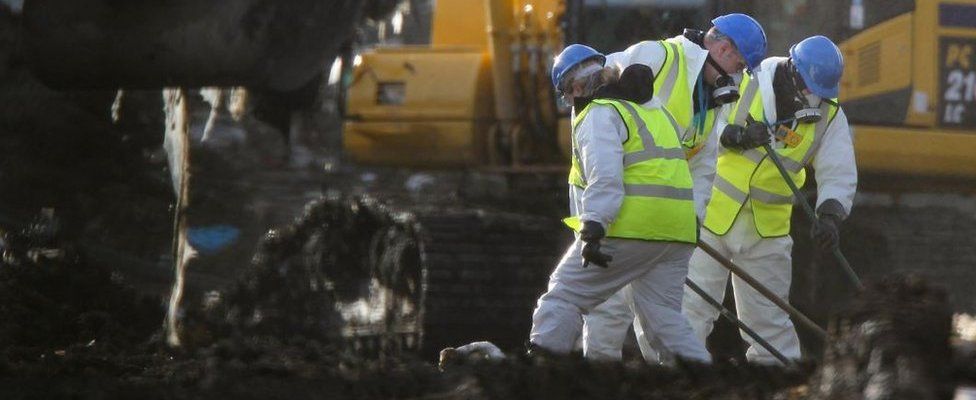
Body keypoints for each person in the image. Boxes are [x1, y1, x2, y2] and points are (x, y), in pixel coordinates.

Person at [581, 13, 768, 363]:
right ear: (724, 49)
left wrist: (692, 220)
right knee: (611, 302)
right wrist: (600, 207)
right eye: (739, 66)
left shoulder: (709, 102)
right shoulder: (658, 57)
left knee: (660, 307)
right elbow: (593, 101)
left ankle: (669, 382)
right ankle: (599, 377)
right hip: (609, 197)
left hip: (653, 211)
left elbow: (703, 165)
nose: (739, 76)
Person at [526, 44, 709, 363]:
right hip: (679, 232)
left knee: (564, 294)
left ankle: (540, 374)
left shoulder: (598, 114)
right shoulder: (654, 108)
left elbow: (605, 176)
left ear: (576, 87)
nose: (571, 103)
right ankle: (712, 382)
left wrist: (593, 228)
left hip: (631, 227)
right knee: (665, 319)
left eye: (568, 95)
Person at [682, 35, 857, 363]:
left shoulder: (829, 117)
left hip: (767, 231)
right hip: (712, 218)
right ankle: (676, 378)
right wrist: (734, 136)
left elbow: (839, 172)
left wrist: (830, 216)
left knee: (769, 326)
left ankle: (775, 386)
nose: (812, 98)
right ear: (793, 72)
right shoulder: (746, 80)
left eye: (819, 92)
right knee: (691, 309)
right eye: (808, 89)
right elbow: (702, 126)